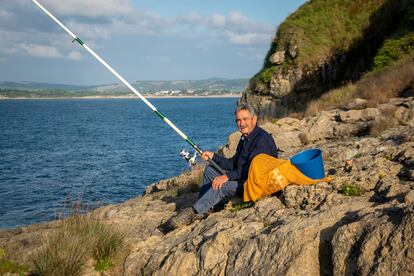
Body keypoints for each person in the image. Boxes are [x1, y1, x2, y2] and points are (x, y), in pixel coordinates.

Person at [160, 104, 278, 232]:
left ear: (254, 119)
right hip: (243, 177)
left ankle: (193, 212)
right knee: (210, 170)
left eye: (245, 119)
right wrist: (213, 156)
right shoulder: (244, 138)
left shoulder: (262, 139)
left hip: (255, 184)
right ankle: (206, 207)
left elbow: (252, 170)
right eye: (238, 120)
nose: (241, 123)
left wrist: (227, 177)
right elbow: (234, 163)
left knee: (222, 185)